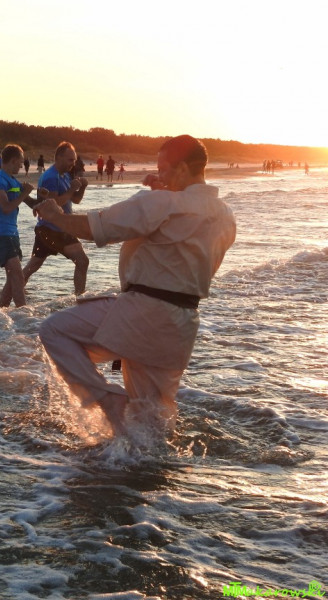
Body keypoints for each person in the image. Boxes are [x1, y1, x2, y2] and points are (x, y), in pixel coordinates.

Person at [36, 135, 236, 440]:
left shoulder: (161, 204)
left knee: (55, 330)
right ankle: (148, 464)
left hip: (141, 313)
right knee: (152, 420)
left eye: (164, 169)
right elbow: (182, 246)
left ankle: (107, 398)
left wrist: (55, 216)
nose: (159, 175)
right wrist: (166, 192)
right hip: (181, 325)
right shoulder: (225, 216)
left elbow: (97, 227)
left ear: (183, 169)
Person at [23, 141, 90, 296]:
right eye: (70, 160)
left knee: (33, 266)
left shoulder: (65, 175)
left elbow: (75, 200)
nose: (73, 163)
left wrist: (82, 187)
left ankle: (14, 290)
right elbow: (55, 205)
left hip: (59, 228)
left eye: (74, 160)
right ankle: (80, 299)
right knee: (82, 261)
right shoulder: (51, 177)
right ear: (59, 157)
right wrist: (72, 189)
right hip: (52, 229)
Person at [0, 144, 34, 308]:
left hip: (12, 232)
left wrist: (42, 198)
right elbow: (5, 207)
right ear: (13, 161)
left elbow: (32, 203)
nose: (22, 165)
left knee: (12, 277)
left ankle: (1, 313)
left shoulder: (13, 181)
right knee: (18, 275)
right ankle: (24, 314)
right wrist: (24, 193)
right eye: (20, 162)